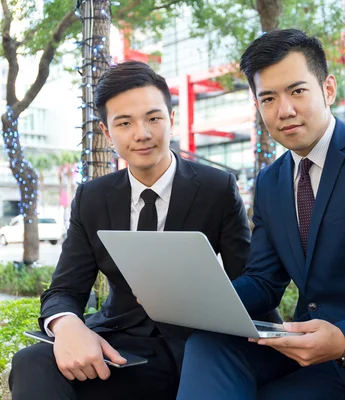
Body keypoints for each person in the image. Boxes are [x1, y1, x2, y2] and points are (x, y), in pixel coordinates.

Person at [175, 29, 345, 400]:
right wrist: (202, 298)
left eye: (297, 91)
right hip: (301, 345)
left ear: (328, 89)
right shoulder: (271, 181)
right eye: (268, 98)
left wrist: (344, 338)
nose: (284, 110)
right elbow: (263, 281)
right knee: (207, 345)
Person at [9, 61, 254, 399]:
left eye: (154, 118)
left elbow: (250, 279)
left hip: (196, 347)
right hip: (119, 343)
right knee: (30, 362)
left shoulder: (218, 188)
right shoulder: (91, 197)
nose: (142, 133)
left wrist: (201, 298)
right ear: (107, 133)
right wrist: (66, 325)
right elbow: (64, 289)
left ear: (172, 119)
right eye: (124, 123)